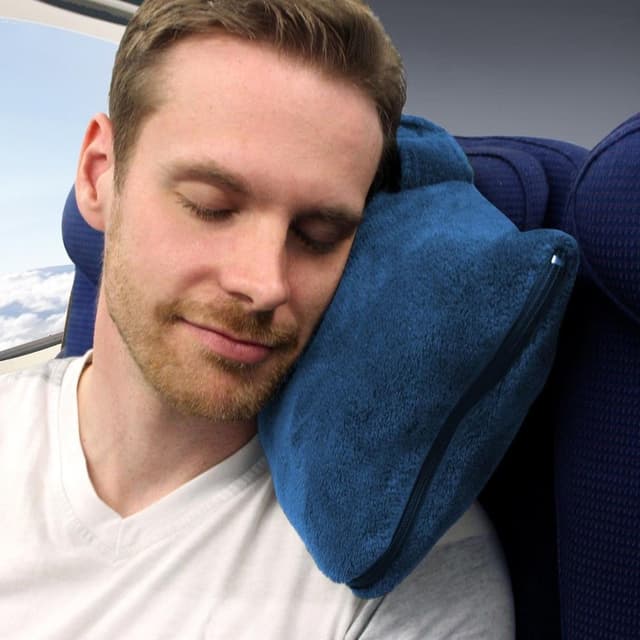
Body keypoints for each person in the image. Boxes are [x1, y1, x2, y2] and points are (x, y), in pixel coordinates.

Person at [0, 0, 514, 637]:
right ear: (98, 177)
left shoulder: (397, 576)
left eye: (319, 236)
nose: (266, 283)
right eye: (211, 206)